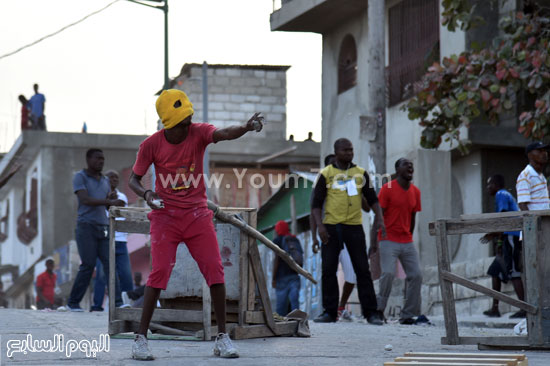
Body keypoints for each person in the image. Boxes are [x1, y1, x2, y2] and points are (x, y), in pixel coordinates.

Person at [128, 89, 264, 360]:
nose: (188, 125)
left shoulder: (198, 133)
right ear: (168, 124)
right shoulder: (151, 145)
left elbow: (224, 133)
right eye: (182, 123)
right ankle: (140, 339)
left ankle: (222, 338)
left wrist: (246, 128)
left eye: (189, 119)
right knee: (159, 275)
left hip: (197, 215)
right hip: (165, 217)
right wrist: (146, 194)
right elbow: (134, 179)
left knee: (215, 271)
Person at [311, 138, 385, 325]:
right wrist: (320, 226)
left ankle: (371, 313)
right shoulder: (326, 174)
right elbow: (316, 204)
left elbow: (373, 200)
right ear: (336, 153)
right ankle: (329, 312)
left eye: (351, 150)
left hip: (354, 227)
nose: (349, 153)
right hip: (331, 227)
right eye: (345, 150)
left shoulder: (360, 173)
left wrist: (380, 219)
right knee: (328, 270)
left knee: (362, 269)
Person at [66, 149, 125, 312]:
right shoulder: (80, 177)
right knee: (88, 264)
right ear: (88, 159)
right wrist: (108, 200)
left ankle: (118, 302)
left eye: (103, 159)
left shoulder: (105, 180)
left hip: (103, 227)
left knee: (110, 265)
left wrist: (114, 202)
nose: (101, 161)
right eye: (98, 158)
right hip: (86, 227)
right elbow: (84, 200)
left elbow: (106, 204)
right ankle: (72, 303)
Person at [310, 154, 366, 321]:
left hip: (349, 234)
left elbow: (365, 204)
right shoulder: (320, 185)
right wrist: (314, 237)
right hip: (329, 235)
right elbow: (312, 213)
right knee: (328, 272)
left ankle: (340, 307)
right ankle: (329, 311)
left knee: (352, 275)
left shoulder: (350, 182)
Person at [372, 158, 424, 325]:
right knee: (388, 273)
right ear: (397, 169)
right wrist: (373, 242)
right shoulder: (387, 189)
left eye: (412, 166)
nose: (410, 167)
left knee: (416, 275)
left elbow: (413, 218)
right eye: (406, 165)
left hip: (406, 240)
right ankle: (379, 310)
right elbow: (378, 217)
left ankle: (408, 314)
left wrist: (409, 236)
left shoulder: (416, 192)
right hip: (388, 238)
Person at [514, 141, 550, 318]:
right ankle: (533, 314)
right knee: (535, 273)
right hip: (534, 232)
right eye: (540, 151)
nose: (544, 154)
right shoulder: (526, 175)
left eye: (545, 151)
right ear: (530, 155)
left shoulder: (541, 176)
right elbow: (523, 204)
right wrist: (533, 229)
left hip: (544, 231)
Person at [481, 174, 524, 318]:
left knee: (513, 271)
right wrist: (499, 242)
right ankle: (495, 308)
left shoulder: (501, 194)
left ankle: (524, 308)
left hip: (512, 235)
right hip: (506, 237)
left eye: (489, 184)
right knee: (495, 270)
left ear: (496, 184)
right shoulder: (505, 195)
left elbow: (503, 218)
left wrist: (492, 234)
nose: (488, 188)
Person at [91, 170, 133, 311]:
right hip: (105, 240)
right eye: (110, 177)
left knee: (126, 274)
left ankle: (125, 303)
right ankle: (97, 305)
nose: (114, 179)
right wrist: (107, 201)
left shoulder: (122, 196)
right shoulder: (98, 196)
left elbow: (121, 209)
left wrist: (111, 201)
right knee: (102, 275)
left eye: (116, 177)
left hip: (121, 240)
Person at [271, 220, 303, 316]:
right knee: (294, 301)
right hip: (294, 275)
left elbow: (276, 260)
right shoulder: (295, 240)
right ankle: (297, 320)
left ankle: (281, 326)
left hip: (281, 278)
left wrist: (273, 278)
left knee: (281, 307)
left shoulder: (277, 240)